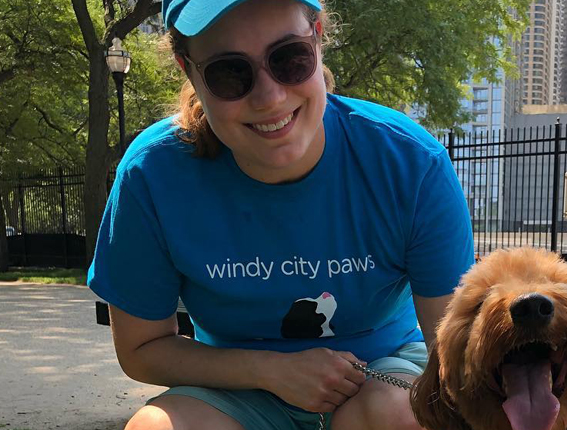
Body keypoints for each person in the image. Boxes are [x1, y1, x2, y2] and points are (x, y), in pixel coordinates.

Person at [87, 0, 474, 429]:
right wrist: (269, 370)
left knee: (395, 416)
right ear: (189, 71)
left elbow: (452, 348)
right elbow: (141, 349)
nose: (269, 97)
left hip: (383, 371)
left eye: (289, 58)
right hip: (232, 388)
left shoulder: (410, 162)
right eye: (229, 72)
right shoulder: (152, 174)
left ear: (318, 39)